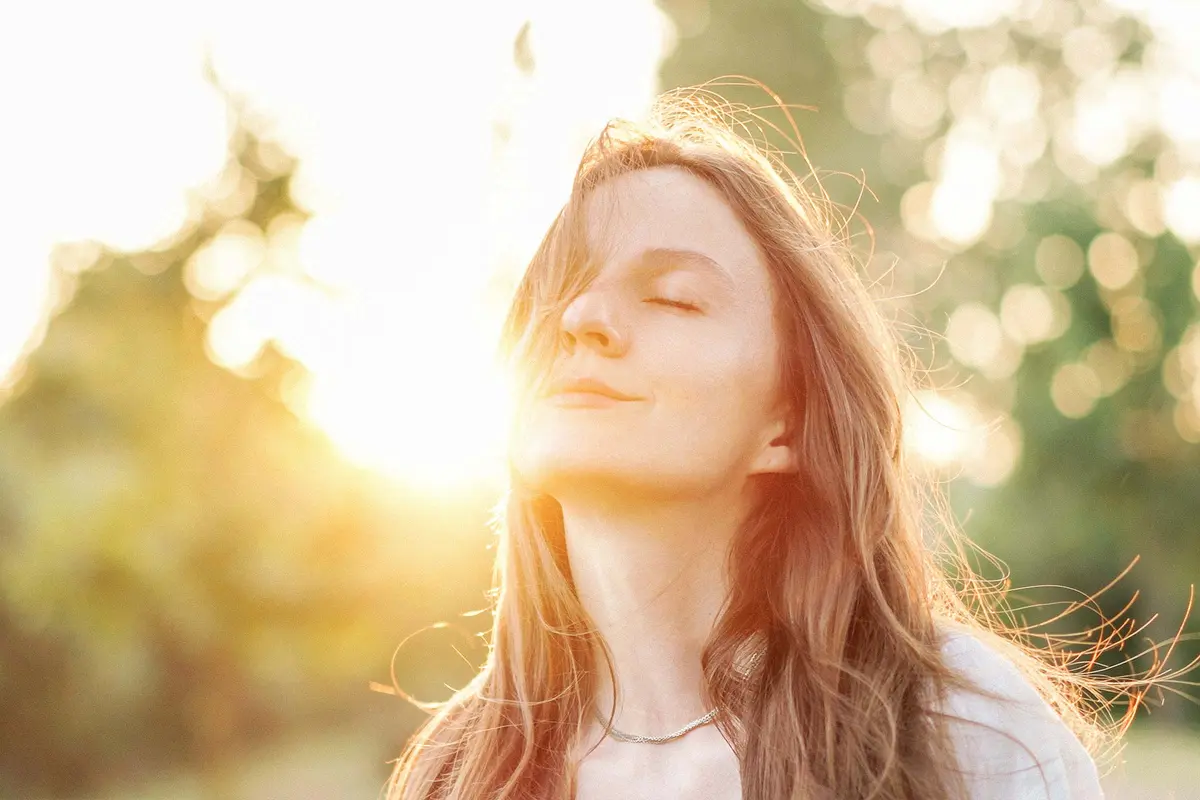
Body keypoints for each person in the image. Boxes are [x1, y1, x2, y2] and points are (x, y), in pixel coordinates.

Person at [386, 91, 1117, 799]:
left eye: (673, 296)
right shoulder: (456, 773)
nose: (580, 316)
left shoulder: (961, 733)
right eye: (559, 289)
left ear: (788, 423)